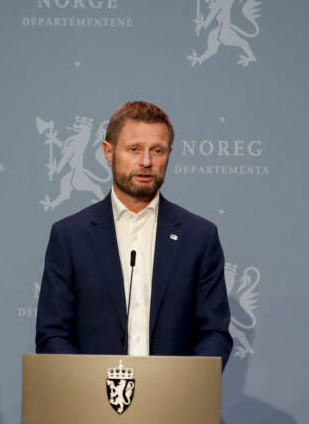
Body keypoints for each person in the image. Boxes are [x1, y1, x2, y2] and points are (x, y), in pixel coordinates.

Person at [35, 101, 233, 367]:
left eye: (157, 150)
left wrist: (181, 388)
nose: (146, 162)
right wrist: (88, 389)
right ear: (108, 152)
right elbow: (52, 334)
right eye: (134, 149)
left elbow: (214, 335)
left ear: (169, 154)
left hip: (173, 403)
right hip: (90, 403)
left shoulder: (200, 237)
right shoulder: (70, 236)